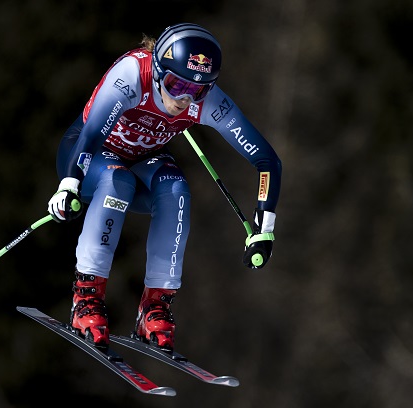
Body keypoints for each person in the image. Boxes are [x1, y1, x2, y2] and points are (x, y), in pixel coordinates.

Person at [47, 23, 282, 350]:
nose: (183, 99)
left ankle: (155, 307)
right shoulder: (132, 74)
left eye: (197, 91)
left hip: (144, 156)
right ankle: (86, 298)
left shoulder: (208, 100)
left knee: (176, 190)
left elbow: (267, 160)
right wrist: (69, 185)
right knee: (119, 183)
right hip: (89, 154)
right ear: (158, 72)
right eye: (175, 85)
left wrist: (264, 227)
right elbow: (91, 135)